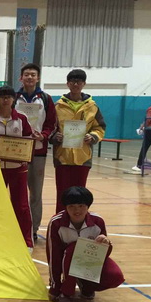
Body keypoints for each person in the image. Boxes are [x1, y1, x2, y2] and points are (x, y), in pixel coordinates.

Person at [46, 186, 125, 302]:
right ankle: (66, 293)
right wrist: (55, 287)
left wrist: (106, 244)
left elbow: (102, 254)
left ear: (88, 206)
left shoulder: (98, 221)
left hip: (89, 261)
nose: (77, 210)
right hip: (65, 261)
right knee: (74, 249)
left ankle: (87, 286)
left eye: (81, 206)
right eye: (71, 206)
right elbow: (53, 255)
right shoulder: (56, 223)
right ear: (65, 207)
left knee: (114, 276)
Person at [0, 86, 43, 249]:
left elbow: (28, 140)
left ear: (13, 99)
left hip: (18, 168)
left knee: (21, 206)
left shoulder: (22, 119)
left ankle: (26, 242)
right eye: (2, 97)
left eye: (8, 97)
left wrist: (25, 155)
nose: (5, 100)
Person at [50, 69, 106, 213]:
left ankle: (78, 222)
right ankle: (60, 223)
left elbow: (100, 127)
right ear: (67, 84)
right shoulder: (57, 106)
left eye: (79, 81)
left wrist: (92, 136)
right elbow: (50, 128)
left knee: (80, 196)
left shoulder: (92, 107)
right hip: (62, 157)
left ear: (84, 84)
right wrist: (55, 137)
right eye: (73, 81)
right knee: (62, 194)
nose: (76, 84)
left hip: (83, 157)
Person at [14, 63, 57, 242]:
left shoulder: (46, 99)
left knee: (36, 193)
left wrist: (44, 135)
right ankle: (17, 227)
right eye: (27, 74)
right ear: (21, 78)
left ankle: (33, 228)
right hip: (17, 150)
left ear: (37, 78)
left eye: (33, 74)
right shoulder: (14, 98)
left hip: (38, 151)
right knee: (17, 193)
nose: (30, 77)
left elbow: (51, 123)